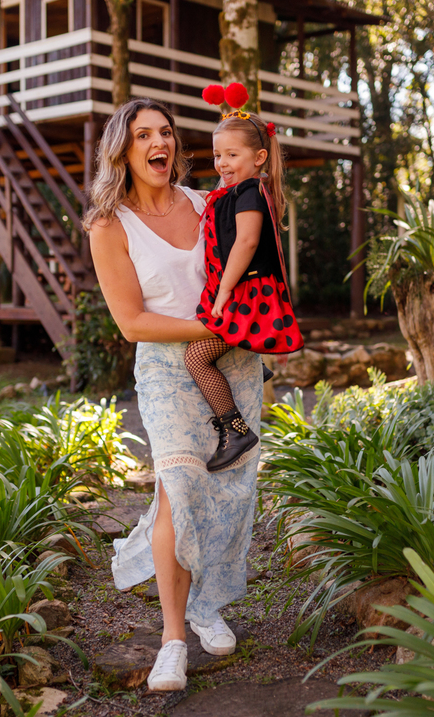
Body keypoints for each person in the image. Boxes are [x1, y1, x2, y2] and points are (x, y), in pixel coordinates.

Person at [88, 98, 263, 692]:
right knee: (179, 486)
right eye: (144, 135)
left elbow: (253, 254)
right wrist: (216, 327)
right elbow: (133, 323)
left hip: (232, 363)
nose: (158, 142)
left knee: (226, 495)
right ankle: (172, 640)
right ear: (124, 150)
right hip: (166, 368)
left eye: (165, 132)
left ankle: (206, 603)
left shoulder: (207, 201)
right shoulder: (109, 225)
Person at [185, 86, 303, 472]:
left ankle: (235, 429)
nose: (222, 162)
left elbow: (247, 242)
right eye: (218, 155)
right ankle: (252, 361)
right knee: (202, 341)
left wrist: (222, 294)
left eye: (232, 155)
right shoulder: (234, 190)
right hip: (242, 291)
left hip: (246, 291)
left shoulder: (251, 191)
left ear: (259, 157)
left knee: (196, 357)